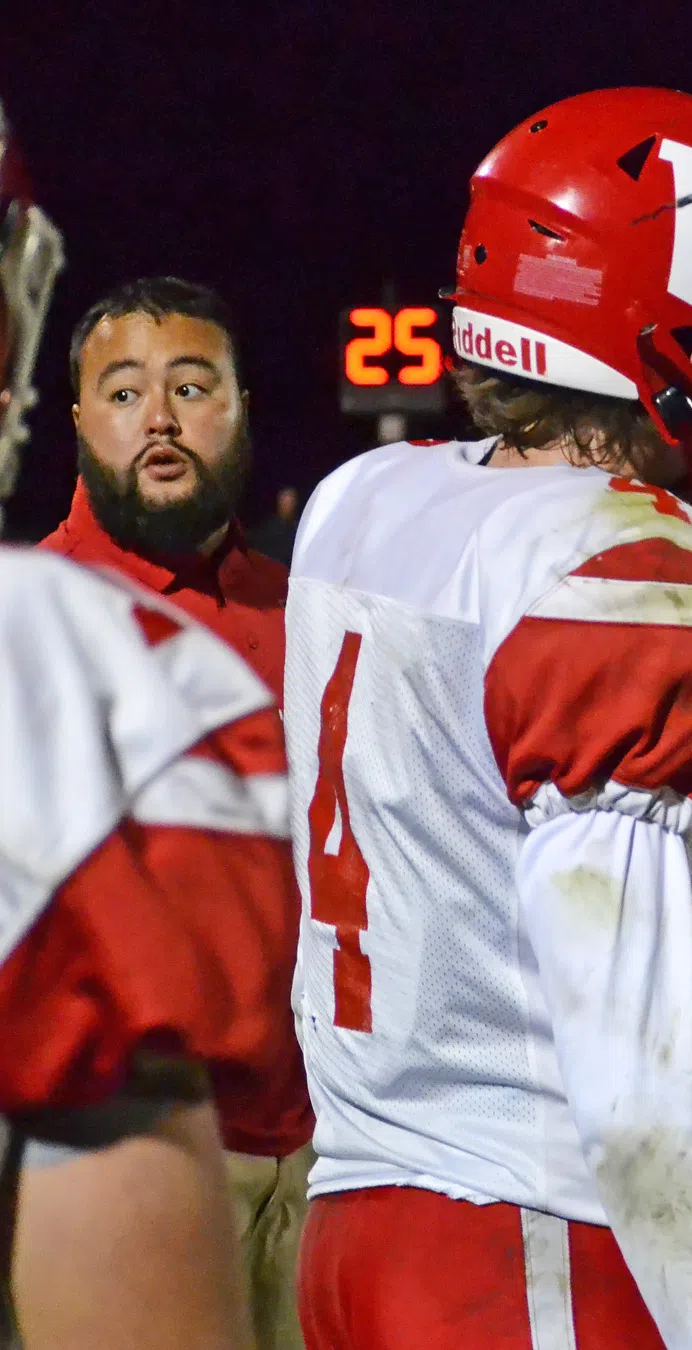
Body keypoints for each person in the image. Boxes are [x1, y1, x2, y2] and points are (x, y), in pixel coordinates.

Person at [282, 88, 692, 1349]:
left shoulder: (360, 500)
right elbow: (638, 1087)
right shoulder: (625, 565)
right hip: (523, 1238)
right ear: (666, 315)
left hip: (354, 1229)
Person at [2, 96, 295, 1350]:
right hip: (124, 1155)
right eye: (124, 391)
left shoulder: (324, 610)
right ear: (74, 419)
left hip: (336, 1144)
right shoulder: (42, 621)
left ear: (242, 403)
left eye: (192, 386)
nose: (161, 418)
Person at [252, 484, 303, 565]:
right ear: (279, 502)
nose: (289, 506)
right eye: (286, 502)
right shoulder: (268, 529)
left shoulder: (298, 529)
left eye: (291, 502)